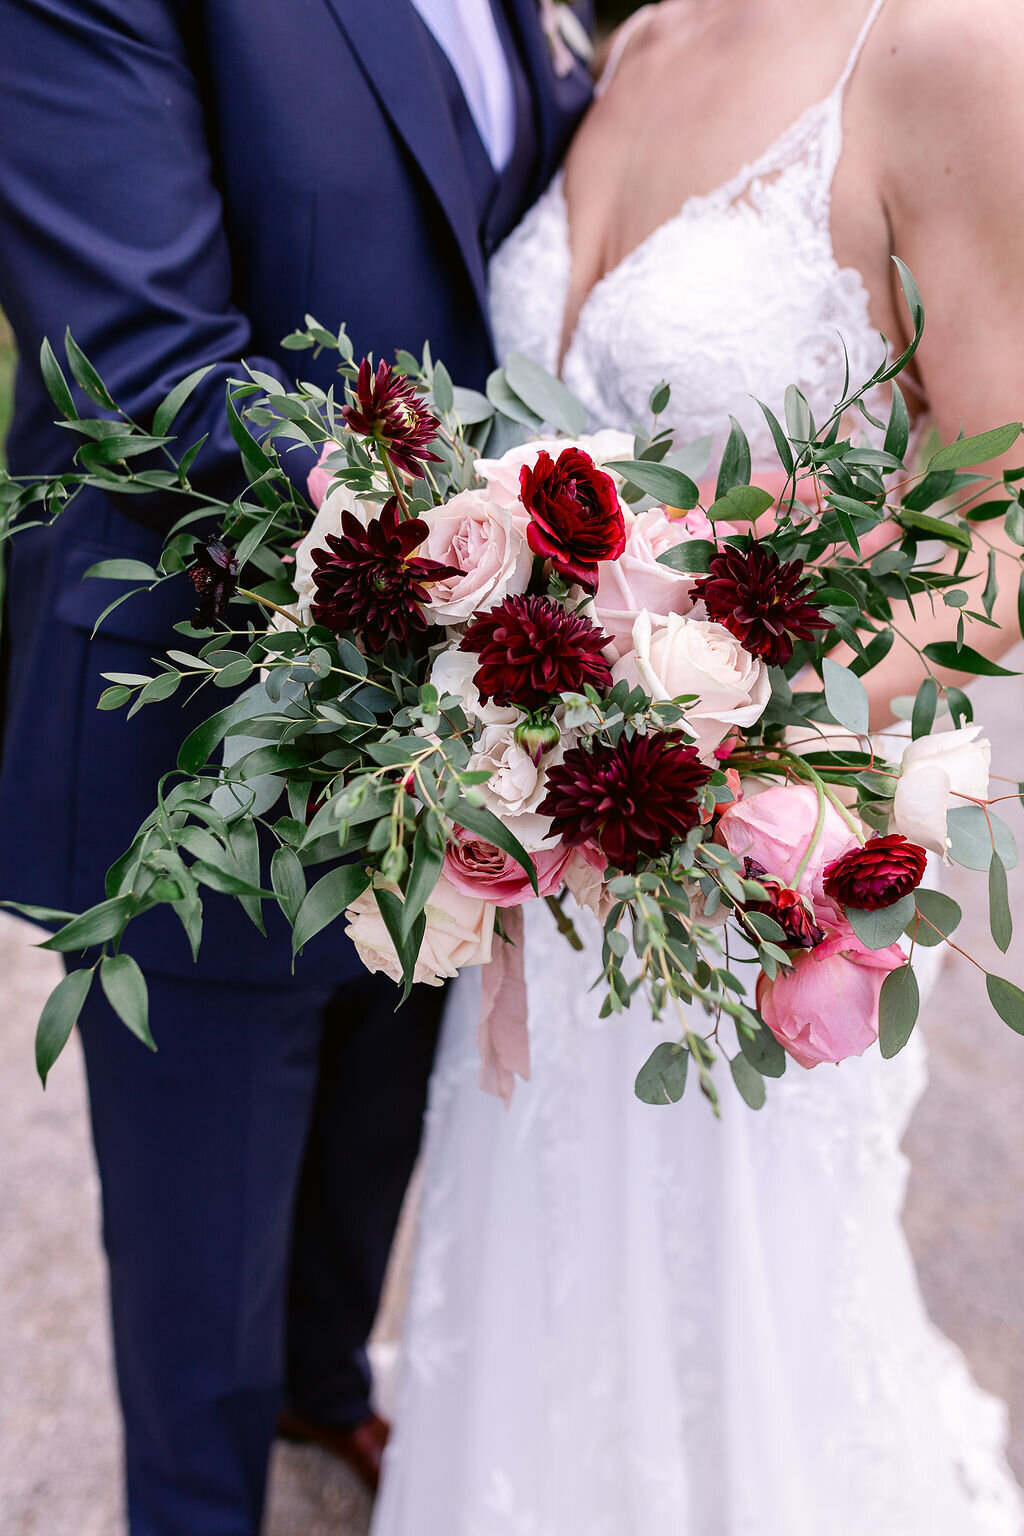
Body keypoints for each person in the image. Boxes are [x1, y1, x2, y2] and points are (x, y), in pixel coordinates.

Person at [372, 2, 1024, 1531]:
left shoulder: (945, 50)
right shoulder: (643, 37)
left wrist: (730, 732)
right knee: (545, 1219)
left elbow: (1006, 528)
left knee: (741, 1274)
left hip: (743, 853)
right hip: (541, 828)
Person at [0, 2, 591, 1532]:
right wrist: (545, 544)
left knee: (374, 1129)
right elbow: (144, 365)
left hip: (462, 737)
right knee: (205, 1276)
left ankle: (330, 1405)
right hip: (200, 732)